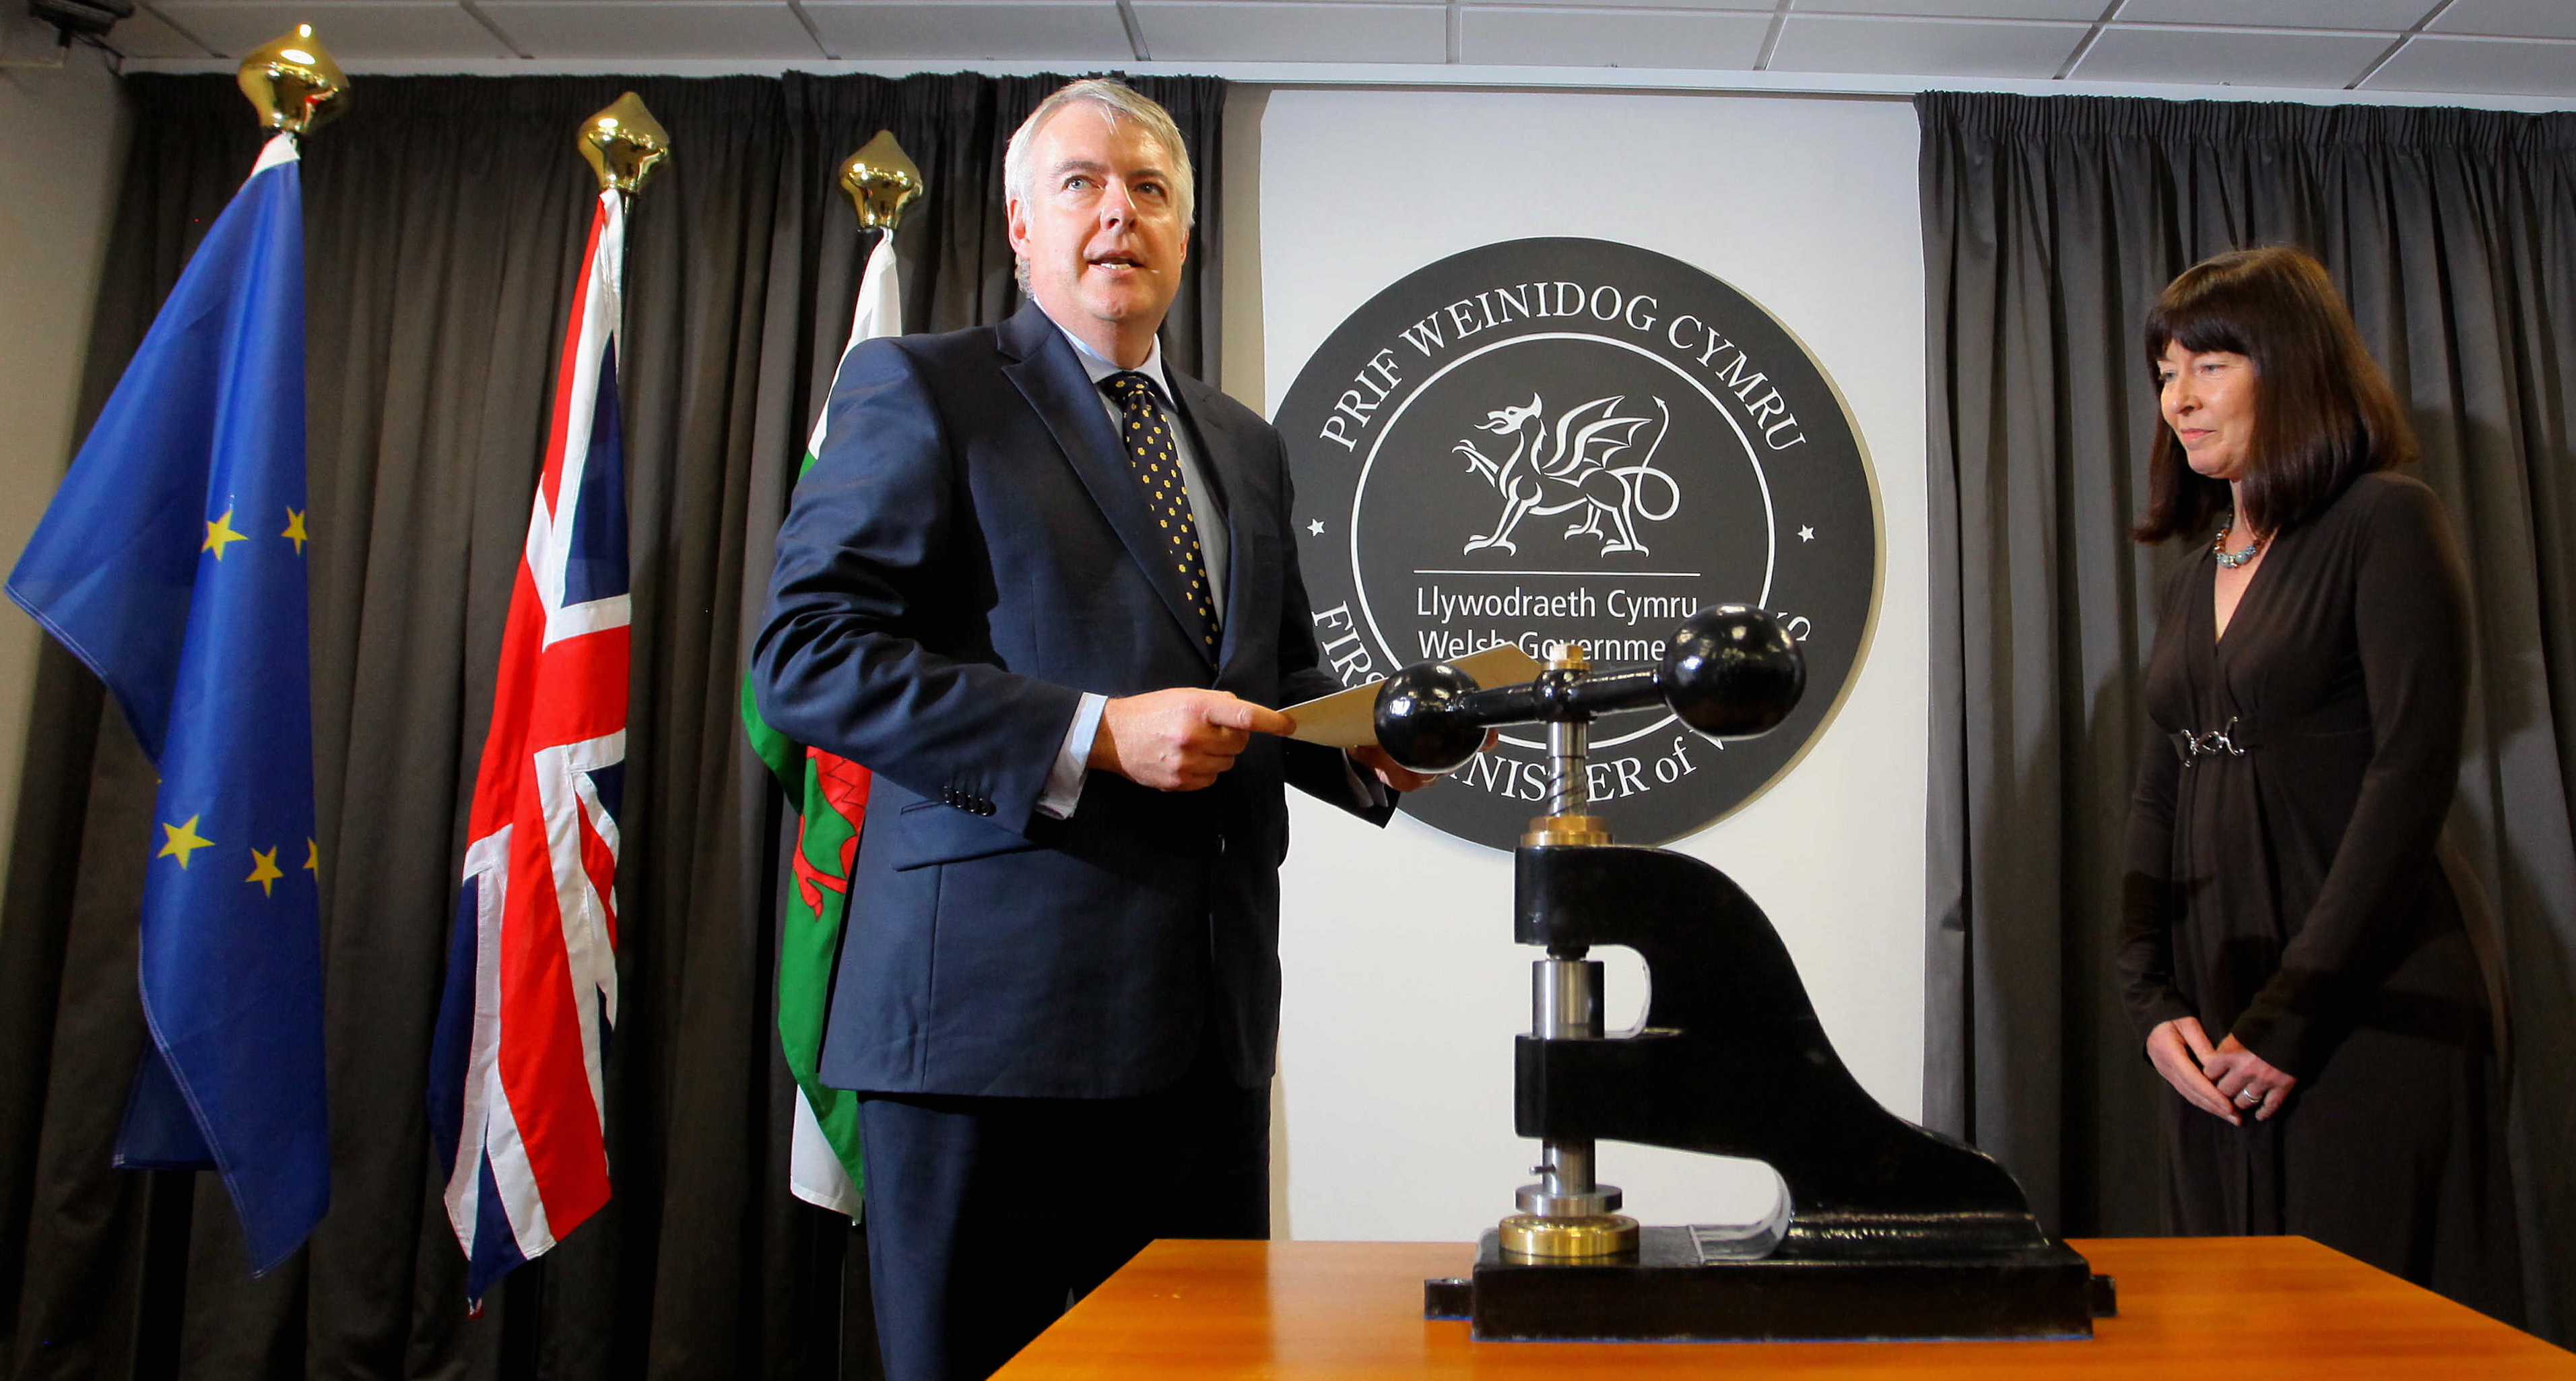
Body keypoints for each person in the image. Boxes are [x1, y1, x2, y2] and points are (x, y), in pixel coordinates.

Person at [752, 79, 1436, 1381]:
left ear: (1186, 237)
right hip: (978, 1042)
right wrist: (1091, 734)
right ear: (1020, 223)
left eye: (1151, 190)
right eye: (1081, 183)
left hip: (1203, 1044)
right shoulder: (920, 387)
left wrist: (1369, 745)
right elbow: (805, 659)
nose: (1117, 210)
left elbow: (1267, 680)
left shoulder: (1243, 444)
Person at [2114, 246, 2520, 1320]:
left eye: (2208, 364)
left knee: (2360, 1326)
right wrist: (2147, 995)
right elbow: (2154, 792)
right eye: (2163, 371)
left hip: (2366, 998)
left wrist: (2292, 1015)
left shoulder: (2383, 520)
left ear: (2289, 366)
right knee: (2228, 1323)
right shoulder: (2192, 578)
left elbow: (2409, 771)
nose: (2179, 398)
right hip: (2213, 1018)